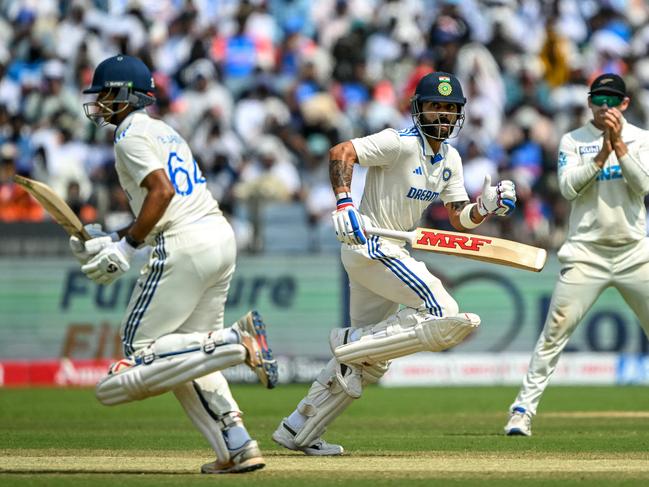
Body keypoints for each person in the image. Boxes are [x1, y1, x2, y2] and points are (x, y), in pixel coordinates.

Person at [272, 72, 517, 454]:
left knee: (368, 362)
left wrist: (484, 207)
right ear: (419, 109)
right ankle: (349, 341)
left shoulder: (450, 158)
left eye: (450, 109)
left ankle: (298, 429)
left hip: (392, 252)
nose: (443, 116)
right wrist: (344, 203)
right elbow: (341, 152)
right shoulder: (397, 142)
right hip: (370, 242)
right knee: (442, 309)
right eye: (436, 107)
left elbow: (458, 217)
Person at [72, 55, 278, 473]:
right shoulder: (163, 130)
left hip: (184, 242)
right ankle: (236, 443)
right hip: (218, 235)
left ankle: (233, 341)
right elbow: (167, 199)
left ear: (125, 94)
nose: (99, 103)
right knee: (183, 358)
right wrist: (111, 239)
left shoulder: (129, 134)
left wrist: (127, 247)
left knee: (140, 350)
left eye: (106, 94)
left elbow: (161, 193)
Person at [504, 73, 649, 437]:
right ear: (589, 103)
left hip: (635, 252)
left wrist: (620, 145)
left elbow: (643, 185)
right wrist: (603, 150)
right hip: (586, 253)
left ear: (625, 104)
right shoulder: (573, 140)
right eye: (598, 100)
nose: (605, 107)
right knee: (554, 333)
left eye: (612, 101)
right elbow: (568, 189)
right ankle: (522, 410)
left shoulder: (642, 138)